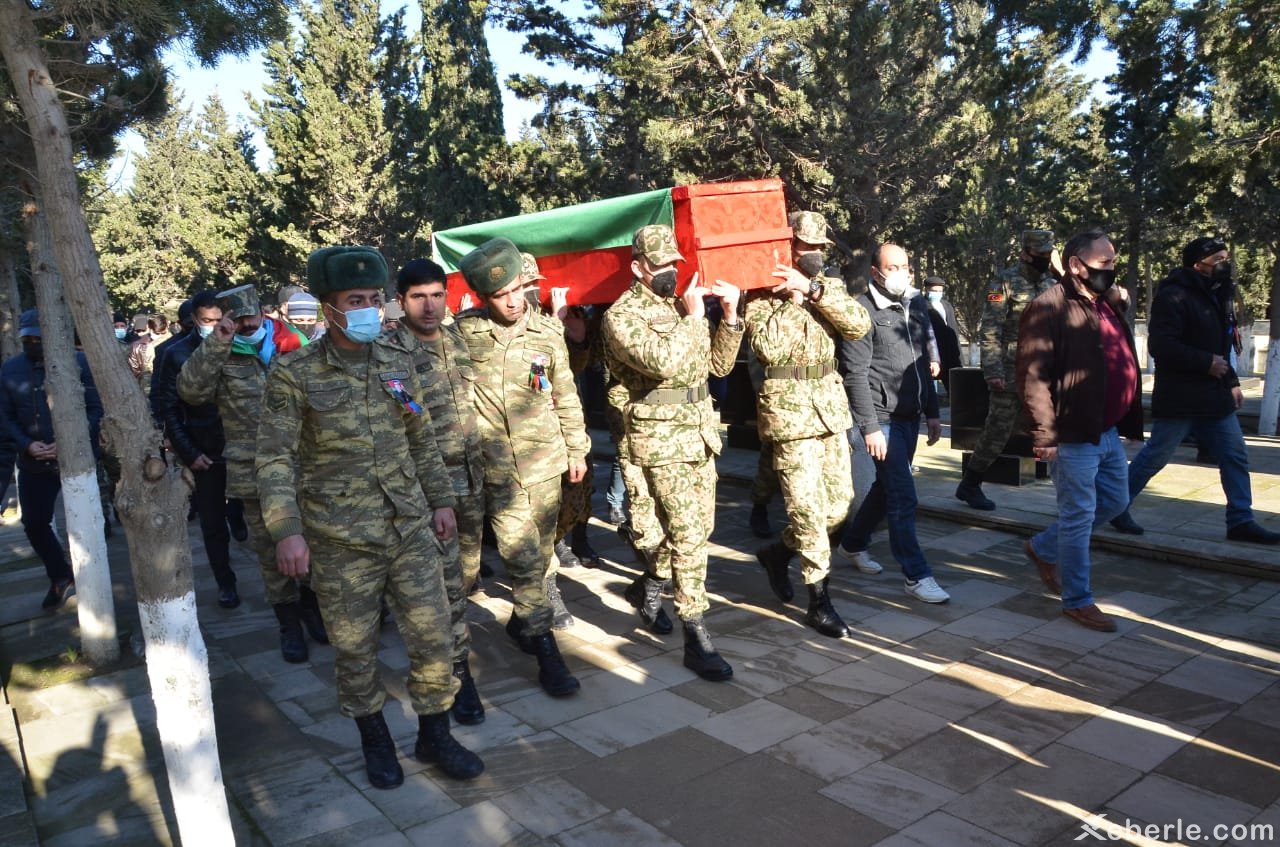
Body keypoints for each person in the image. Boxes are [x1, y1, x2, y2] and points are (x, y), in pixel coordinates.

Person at [257, 245, 483, 788]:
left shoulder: (395, 360)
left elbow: (419, 435)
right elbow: (274, 458)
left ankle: (435, 734)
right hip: (340, 539)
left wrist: (441, 500)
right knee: (355, 649)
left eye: (373, 299)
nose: (367, 309)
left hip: (408, 526)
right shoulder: (294, 373)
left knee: (434, 637)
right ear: (329, 307)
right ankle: (375, 739)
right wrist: (287, 531)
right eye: (353, 300)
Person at [601, 224, 743, 681]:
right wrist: (695, 318)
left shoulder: (682, 307)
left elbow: (717, 366)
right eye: (659, 265)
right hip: (660, 439)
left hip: (698, 433)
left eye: (673, 264)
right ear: (638, 268)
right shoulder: (622, 315)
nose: (669, 272)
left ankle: (650, 583)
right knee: (687, 532)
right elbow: (661, 362)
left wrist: (730, 317)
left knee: (698, 530)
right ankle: (696, 633)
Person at [453, 238, 589, 697]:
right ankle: (546, 650)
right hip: (497, 470)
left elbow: (565, 393)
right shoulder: (464, 333)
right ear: (482, 298)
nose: (513, 301)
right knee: (524, 558)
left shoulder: (548, 332)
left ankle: (521, 623)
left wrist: (577, 449)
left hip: (545, 462)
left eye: (516, 290)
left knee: (543, 550)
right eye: (500, 295)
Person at [178, 284, 329, 664]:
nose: (246, 325)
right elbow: (191, 392)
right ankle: (288, 623)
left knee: (315, 544)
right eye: (239, 319)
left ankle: (311, 607)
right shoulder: (221, 353)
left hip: (305, 467)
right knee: (271, 552)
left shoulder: (292, 344)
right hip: (255, 472)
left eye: (251, 317)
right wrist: (217, 344)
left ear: (263, 312)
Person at [749, 211, 871, 637]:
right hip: (789, 416)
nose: (815, 254)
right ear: (787, 247)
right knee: (807, 511)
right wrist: (792, 299)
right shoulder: (760, 294)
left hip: (830, 411)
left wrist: (813, 290)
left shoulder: (828, 285)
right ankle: (819, 602)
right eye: (807, 247)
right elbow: (768, 348)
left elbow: (858, 325)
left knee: (839, 508)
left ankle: (778, 554)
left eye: (820, 248)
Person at [1110, 237, 1279, 544]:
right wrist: (1205, 363)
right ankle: (1116, 506)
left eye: (1225, 257)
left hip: (1215, 397)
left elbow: (1222, 346)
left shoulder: (1218, 293)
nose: (1225, 264)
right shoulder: (1173, 296)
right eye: (1218, 259)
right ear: (1198, 264)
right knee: (1156, 457)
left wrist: (1232, 382)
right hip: (1181, 398)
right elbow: (1161, 345)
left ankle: (1241, 520)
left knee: (1235, 456)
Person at [1017, 229, 1143, 632]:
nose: (1112, 269)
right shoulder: (1047, 307)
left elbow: (1119, 358)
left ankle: (1043, 547)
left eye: (1114, 261)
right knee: (1078, 515)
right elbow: (1033, 376)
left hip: (1105, 429)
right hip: (1072, 433)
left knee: (1115, 501)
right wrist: (1044, 435)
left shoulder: (1105, 302)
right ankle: (1077, 600)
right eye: (1104, 262)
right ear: (1076, 264)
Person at [386, 258, 488, 725]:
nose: (429, 306)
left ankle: (451, 649)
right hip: (427, 488)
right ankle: (458, 672)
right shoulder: (389, 352)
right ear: (401, 300)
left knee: (464, 576)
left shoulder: (457, 340)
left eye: (436, 296)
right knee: (443, 585)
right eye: (418, 297)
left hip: (471, 480)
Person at [835, 243, 950, 604]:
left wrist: (932, 411)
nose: (901, 273)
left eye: (905, 266)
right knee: (903, 494)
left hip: (909, 415)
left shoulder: (915, 303)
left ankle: (852, 543)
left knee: (886, 489)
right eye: (892, 267)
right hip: (880, 418)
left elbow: (922, 362)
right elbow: (855, 373)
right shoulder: (861, 310)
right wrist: (868, 427)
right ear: (876, 272)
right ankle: (916, 575)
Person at [0, 309, 103, 608]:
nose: (34, 344)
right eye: (28, 339)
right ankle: (60, 574)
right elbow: (5, 417)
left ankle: (97, 585)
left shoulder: (79, 363)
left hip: (76, 459)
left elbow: (95, 409)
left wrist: (69, 440)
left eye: (39, 339)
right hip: (34, 462)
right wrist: (27, 445)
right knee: (34, 523)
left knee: (89, 526)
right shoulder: (10, 369)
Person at [956, 230, 1058, 511]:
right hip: (1011, 372)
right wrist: (992, 370)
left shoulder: (1051, 283)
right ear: (1025, 253)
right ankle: (970, 483)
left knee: (1049, 428)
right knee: (997, 431)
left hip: (1043, 371)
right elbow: (990, 329)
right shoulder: (1004, 282)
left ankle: (1071, 489)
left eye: (1048, 254)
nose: (1044, 259)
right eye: (1040, 254)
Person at [152, 291, 240, 608]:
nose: (213, 326)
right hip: (205, 451)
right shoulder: (174, 353)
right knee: (213, 524)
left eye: (219, 320)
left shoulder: (239, 344)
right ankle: (225, 583)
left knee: (246, 517)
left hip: (242, 447)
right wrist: (189, 452)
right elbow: (168, 408)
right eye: (206, 320)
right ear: (194, 319)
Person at [921, 277, 962, 392]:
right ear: (927, 290)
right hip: (933, 353)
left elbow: (953, 329)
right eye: (934, 291)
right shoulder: (921, 306)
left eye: (940, 291)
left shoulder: (946, 305)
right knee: (928, 390)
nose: (937, 294)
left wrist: (959, 354)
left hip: (950, 354)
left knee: (955, 389)